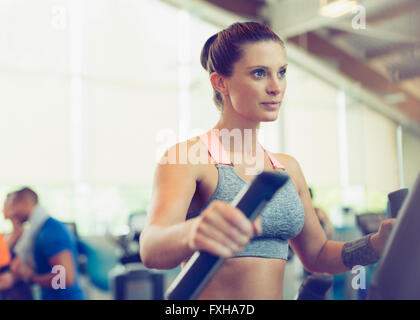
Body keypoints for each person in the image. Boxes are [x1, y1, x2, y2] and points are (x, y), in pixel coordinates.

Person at [139, 22, 396, 300]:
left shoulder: (287, 168)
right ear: (220, 82)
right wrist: (193, 231)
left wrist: (376, 245)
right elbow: (151, 249)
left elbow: (318, 255)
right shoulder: (189, 158)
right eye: (259, 73)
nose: (276, 87)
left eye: (282, 73)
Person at [10, 187, 84, 300]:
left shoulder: (50, 231)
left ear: (26, 203)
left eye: (13, 206)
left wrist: (31, 278)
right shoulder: (38, 231)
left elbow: (65, 278)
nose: (11, 213)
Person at [0, 193, 33, 299]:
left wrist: (15, 277)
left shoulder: (27, 236)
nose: (3, 209)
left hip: (19, 292)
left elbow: (31, 267)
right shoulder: (4, 236)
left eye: (8, 205)